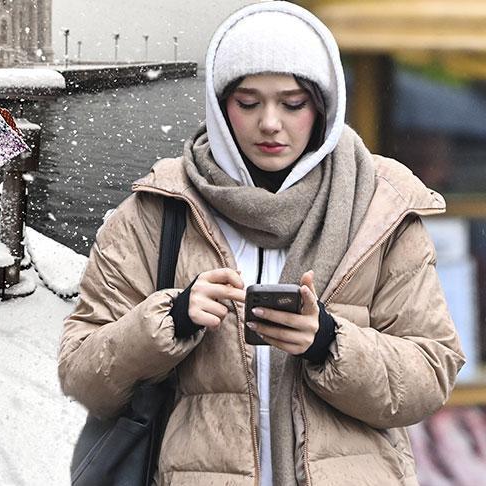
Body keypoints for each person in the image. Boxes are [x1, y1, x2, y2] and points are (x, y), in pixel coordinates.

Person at [58, 2, 465, 485]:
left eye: (292, 103)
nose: (270, 123)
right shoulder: (155, 212)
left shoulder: (383, 211)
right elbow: (82, 373)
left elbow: (431, 373)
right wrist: (172, 318)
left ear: (323, 105)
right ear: (220, 103)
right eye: (248, 103)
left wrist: (329, 343)